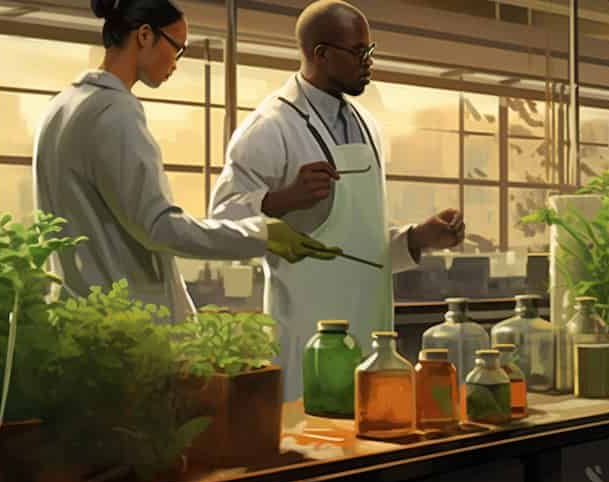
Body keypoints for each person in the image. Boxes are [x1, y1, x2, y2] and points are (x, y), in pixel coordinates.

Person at [210, 0, 466, 401]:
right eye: (358, 52)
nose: (368, 63)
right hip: (310, 326)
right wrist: (283, 199)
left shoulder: (370, 127)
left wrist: (419, 238)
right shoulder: (271, 126)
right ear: (321, 54)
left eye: (370, 51)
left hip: (372, 325)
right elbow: (221, 218)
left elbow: (361, 237)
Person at [32, 0, 340, 322]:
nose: (176, 63)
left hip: (76, 317)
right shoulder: (115, 112)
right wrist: (262, 233)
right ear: (146, 36)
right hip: (127, 328)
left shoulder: (60, 108)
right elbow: (159, 226)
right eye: (177, 49)